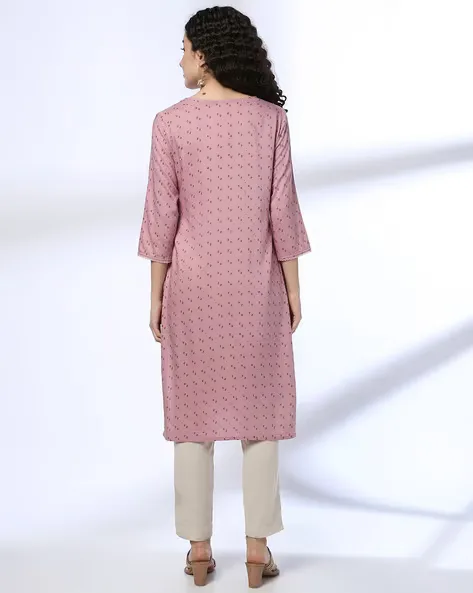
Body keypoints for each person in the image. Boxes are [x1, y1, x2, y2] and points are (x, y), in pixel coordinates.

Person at [137, 5, 311, 588]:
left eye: (185, 49)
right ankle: (257, 550)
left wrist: (156, 295)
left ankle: (198, 551)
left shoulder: (170, 124)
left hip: (192, 288)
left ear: (205, 55)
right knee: (262, 416)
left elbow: (161, 217)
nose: (180, 60)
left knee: (192, 416)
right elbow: (282, 212)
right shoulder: (270, 121)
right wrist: (292, 289)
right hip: (257, 287)